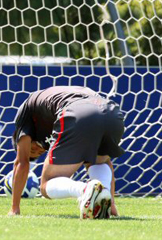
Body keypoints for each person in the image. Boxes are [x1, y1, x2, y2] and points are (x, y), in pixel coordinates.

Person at [9, 86, 125, 219]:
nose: (39, 150)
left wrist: (14, 208)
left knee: (45, 185)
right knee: (99, 160)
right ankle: (105, 198)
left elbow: (21, 162)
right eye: (38, 153)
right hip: (112, 114)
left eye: (32, 149)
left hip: (78, 111)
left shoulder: (27, 109)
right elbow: (106, 161)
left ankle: (85, 190)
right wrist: (111, 203)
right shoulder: (50, 110)